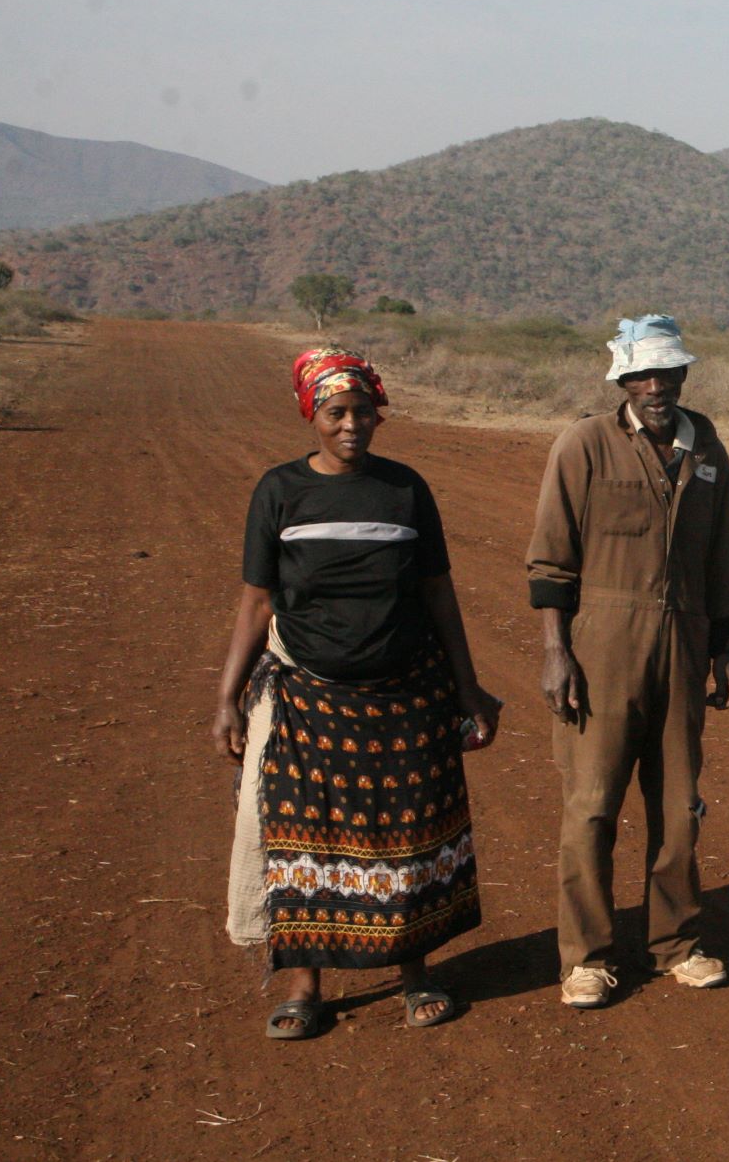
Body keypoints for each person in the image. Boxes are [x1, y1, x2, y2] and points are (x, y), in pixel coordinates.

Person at [212, 346, 501, 1040]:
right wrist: (226, 699)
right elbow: (256, 603)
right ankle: (305, 986)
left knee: (405, 836)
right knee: (304, 836)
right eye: (336, 412)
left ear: (378, 414)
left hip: (405, 694)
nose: (351, 425)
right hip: (307, 695)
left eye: (363, 412)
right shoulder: (279, 491)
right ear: (310, 413)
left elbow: (437, 592)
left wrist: (470, 688)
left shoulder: (405, 490)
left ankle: (415, 973)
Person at [527, 315, 729, 1011]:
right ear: (622, 379)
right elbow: (549, 560)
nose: (657, 386)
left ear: (684, 375)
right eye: (643, 374)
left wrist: (725, 647)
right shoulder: (584, 444)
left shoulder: (706, 445)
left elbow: (723, 556)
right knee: (591, 805)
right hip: (601, 647)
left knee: (680, 805)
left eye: (668, 372)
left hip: (683, 642)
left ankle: (678, 944)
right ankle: (586, 958)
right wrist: (557, 652)